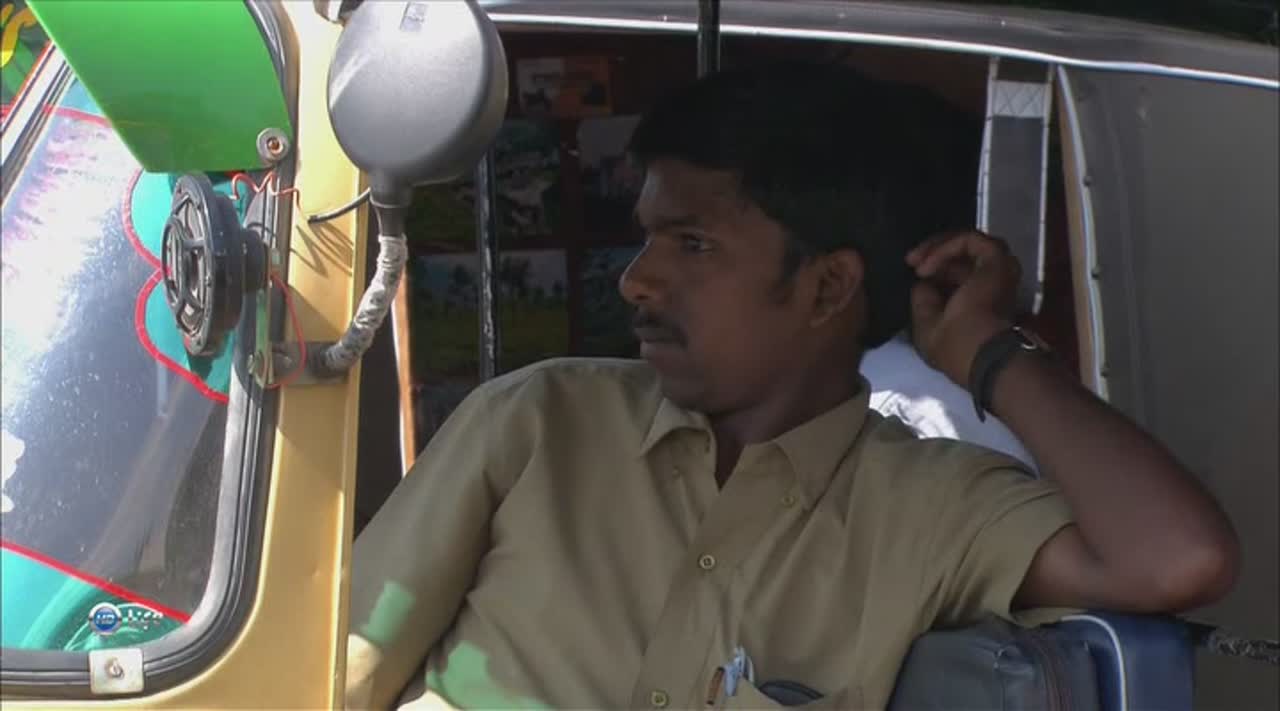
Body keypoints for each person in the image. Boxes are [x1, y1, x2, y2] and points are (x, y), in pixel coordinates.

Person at [345, 64, 1238, 710]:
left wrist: (987, 352)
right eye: (647, 239)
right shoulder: (538, 422)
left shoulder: (928, 510)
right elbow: (333, 669)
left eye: (693, 245)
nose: (637, 280)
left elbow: (1179, 557)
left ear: (827, 287)